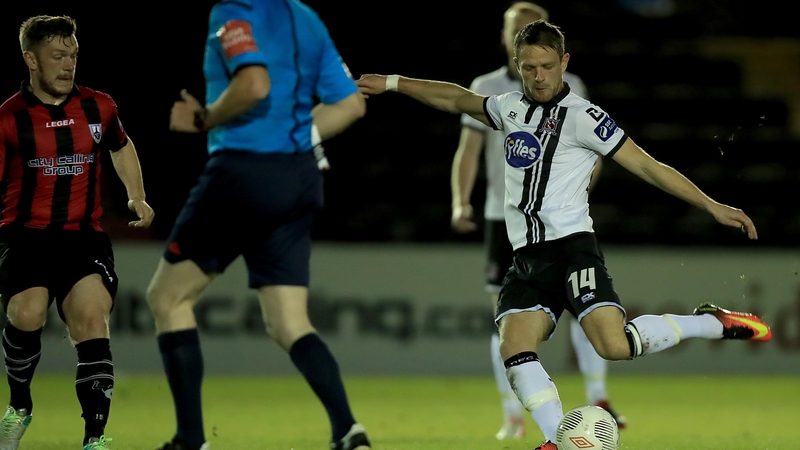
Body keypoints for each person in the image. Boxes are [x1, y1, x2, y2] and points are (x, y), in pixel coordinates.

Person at [356, 19, 771, 450]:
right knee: (514, 347)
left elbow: (648, 165)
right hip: (527, 257)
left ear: (564, 63)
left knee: (613, 345)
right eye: (530, 67)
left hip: (573, 250)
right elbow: (457, 99)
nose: (539, 76)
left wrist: (711, 205)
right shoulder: (508, 108)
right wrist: (392, 83)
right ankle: (558, 440)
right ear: (517, 64)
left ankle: (709, 323)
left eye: (548, 66)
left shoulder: (586, 118)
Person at [144, 1, 370, 450]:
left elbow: (253, 83)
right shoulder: (305, 16)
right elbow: (350, 104)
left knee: (167, 298)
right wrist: (292, 144)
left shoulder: (235, 10)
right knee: (289, 322)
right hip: (299, 178)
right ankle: (348, 431)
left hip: (242, 174)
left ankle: (191, 440)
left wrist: (203, 118)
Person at [450, 2, 625, 440]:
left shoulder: (572, 87)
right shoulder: (489, 89)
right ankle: (513, 412)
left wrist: (579, 190)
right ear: (509, 42)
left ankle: (598, 396)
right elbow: (467, 151)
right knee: (507, 322)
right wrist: (459, 201)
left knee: (589, 314)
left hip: (561, 223)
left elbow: (594, 149)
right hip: (502, 216)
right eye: (517, 31)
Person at [0, 15, 155, 450]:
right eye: (57, 56)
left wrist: (136, 196)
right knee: (27, 314)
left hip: (82, 237)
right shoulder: (9, 119)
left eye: (73, 55)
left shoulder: (98, 106)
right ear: (31, 59)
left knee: (91, 319)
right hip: (24, 236)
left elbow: (121, 146)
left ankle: (94, 439)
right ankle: (19, 407)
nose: (68, 64)